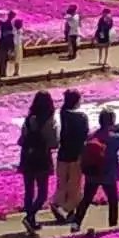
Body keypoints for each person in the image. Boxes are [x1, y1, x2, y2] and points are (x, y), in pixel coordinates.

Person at [72, 109, 119, 232]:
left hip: (92, 173)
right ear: (112, 121)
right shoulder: (114, 137)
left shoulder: (92, 136)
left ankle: (76, 223)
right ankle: (113, 226)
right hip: (108, 175)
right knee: (113, 201)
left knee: (86, 199)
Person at [17, 91, 56, 236]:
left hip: (27, 158)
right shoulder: (49, 121)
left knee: (29, 191)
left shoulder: (28, 119)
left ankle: (31, 220)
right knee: (42, 193)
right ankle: (30, 217)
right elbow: (54, 143)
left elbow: (22, 139)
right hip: (42, 160)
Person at [53, 89, 90, 227]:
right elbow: (85, 135)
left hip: (63, 154)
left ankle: (58, 205)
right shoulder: (81, 117)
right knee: (74, 185)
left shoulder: (63, 113)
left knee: (62, 183)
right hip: (76, 155)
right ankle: (65, 209)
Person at [0, 12, 20, 81]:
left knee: (2, 60)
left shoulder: (5, 23)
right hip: (7, 44)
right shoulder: (11, 25)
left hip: (3, 44)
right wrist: (12, 46)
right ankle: (2, 74)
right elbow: (11, 36)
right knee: (4, 60)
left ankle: (1, 74)